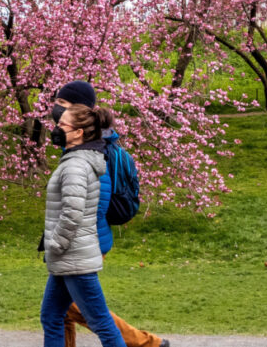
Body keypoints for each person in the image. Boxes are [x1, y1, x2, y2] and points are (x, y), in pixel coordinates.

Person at [51, 81, 168, 347]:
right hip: (84, 238)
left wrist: (62, 241)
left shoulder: (93, 149)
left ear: (81, 114)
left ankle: (145, 343)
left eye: (62, 105)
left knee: (84, 310)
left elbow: (88, 206)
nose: (56, 111)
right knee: (61, 310)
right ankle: (146, 343)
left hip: (85, 239)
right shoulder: (83, 144)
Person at [40, 101, 124, 347]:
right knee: (52, 316)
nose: (56, 128)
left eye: (62, 124)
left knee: (101, 323)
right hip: (70, 257)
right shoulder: (78, 159)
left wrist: (55, 243)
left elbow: (72, 213)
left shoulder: (76, 165)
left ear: (78, 133)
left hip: (74, 257)